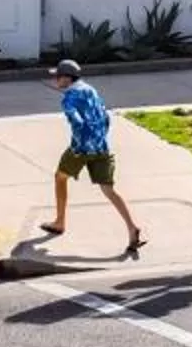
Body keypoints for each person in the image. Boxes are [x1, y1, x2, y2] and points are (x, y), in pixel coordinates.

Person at [43, 59, 144, 256]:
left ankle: (60, 222)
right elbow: (106, 118)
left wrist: (80, 147)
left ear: (66, 78)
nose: (55, 80)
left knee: (60, 177)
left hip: (81, 148)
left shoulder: (69, 97)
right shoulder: (91, 90)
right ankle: (132, 227)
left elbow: (77, 122)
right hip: (102, 146)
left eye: (57, 77)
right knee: (108, 190)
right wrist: (100, 139)